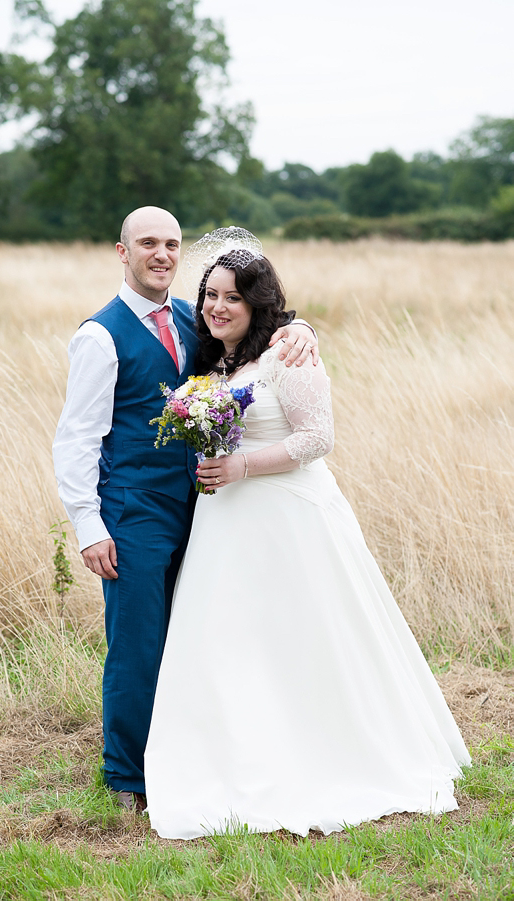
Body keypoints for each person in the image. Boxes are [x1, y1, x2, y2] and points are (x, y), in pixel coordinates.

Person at [143, 229, 471, 838]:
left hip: (289, 517)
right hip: (226, 520)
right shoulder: (213, 359)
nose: (216, 307)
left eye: (231, 299)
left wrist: (241, 463)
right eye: (210, 295)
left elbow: (318, 437)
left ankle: (324, 751)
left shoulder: (289, 355)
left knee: (302, 635)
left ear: (257, 305)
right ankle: (233, 751)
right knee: (231, 638)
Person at [52, 209, 319, 812]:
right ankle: (127, 778)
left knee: (198, 637)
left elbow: (260, 340)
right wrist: (89, 526)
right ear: (122, 252)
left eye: (172, 244)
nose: (163, 254)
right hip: (134, 513)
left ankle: (187, 756)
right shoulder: (100, 336)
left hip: (205, 507)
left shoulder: (192, 316)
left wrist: (305, 332)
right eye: (148, 243)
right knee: (138, 643)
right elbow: (75, 439)